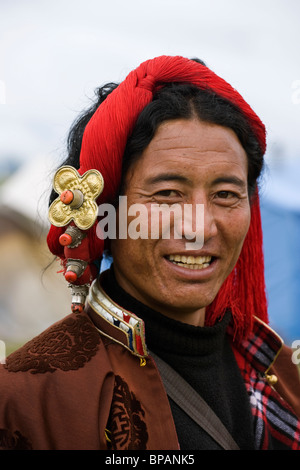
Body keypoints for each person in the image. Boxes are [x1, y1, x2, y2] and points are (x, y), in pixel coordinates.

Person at [0, 55, 299, 451]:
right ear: (106, 212)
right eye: (167, 195)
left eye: (226, 195)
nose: (200, 228)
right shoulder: (29, 400)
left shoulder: (279, 374)